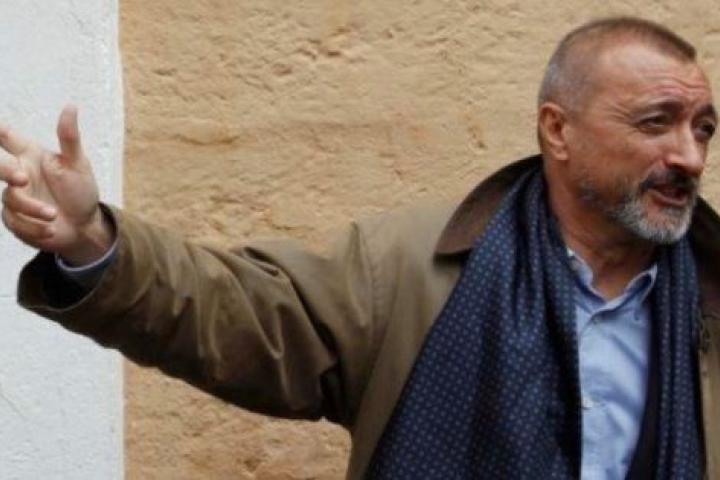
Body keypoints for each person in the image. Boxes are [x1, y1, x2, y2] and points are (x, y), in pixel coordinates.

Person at [0, 15, 718, 480]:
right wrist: (93, 241)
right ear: (558, 131)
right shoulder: (415, 271)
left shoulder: (709, 290)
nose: (688, 156)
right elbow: (239, 317)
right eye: (657, 122)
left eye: (703, 129)